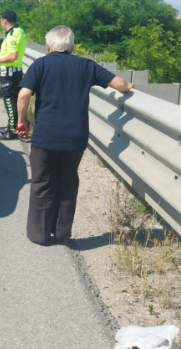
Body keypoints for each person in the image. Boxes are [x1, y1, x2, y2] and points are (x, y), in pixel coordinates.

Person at [16, 25, 134, 246]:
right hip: (75, 136)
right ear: (71, 47)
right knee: (68, 181)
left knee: (42, 182)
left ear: (48, 46)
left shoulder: (41, 64)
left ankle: (40, 234)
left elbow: (23, 94)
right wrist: (128, 85)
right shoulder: (86, 65)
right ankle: (62, 233)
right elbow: (119, 85)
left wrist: (22, 121)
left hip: (46, 136)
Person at [0, 10, 27, 140]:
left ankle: (12, 131)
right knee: (10, 100)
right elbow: (6, 52)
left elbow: (13, 56)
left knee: (10, 101)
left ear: (4, 20)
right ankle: (10, 127)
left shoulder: (14, 34)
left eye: (1, 21)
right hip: (12, 72)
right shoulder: (15, 32)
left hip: (10, 72)